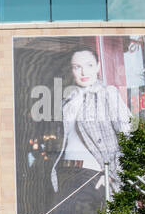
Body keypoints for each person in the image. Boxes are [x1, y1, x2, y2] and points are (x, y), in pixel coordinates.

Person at [52, 47, 133, 201]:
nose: (83, 73)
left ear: (98, 67)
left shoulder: (108, 94)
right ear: (72, 70)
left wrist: (112, 175)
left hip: (93, 174)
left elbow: (129, 137)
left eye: (89, 65)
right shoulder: (66, 103)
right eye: (77, 67)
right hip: (66, 174)